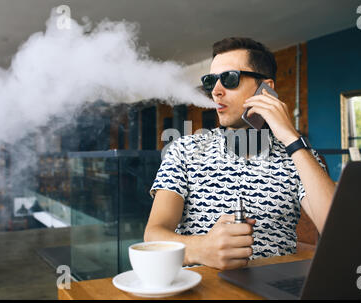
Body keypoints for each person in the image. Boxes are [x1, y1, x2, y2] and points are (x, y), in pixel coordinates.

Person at [144, 37, 336, 270]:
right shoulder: (183, 150)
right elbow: (153, 235)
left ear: (266, 89)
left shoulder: (299, 155)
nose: (216, 91)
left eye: (229, 79)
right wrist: (201, 248)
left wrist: (291, 138)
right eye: (210, 81)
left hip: (274, 290)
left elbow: (338, 230)